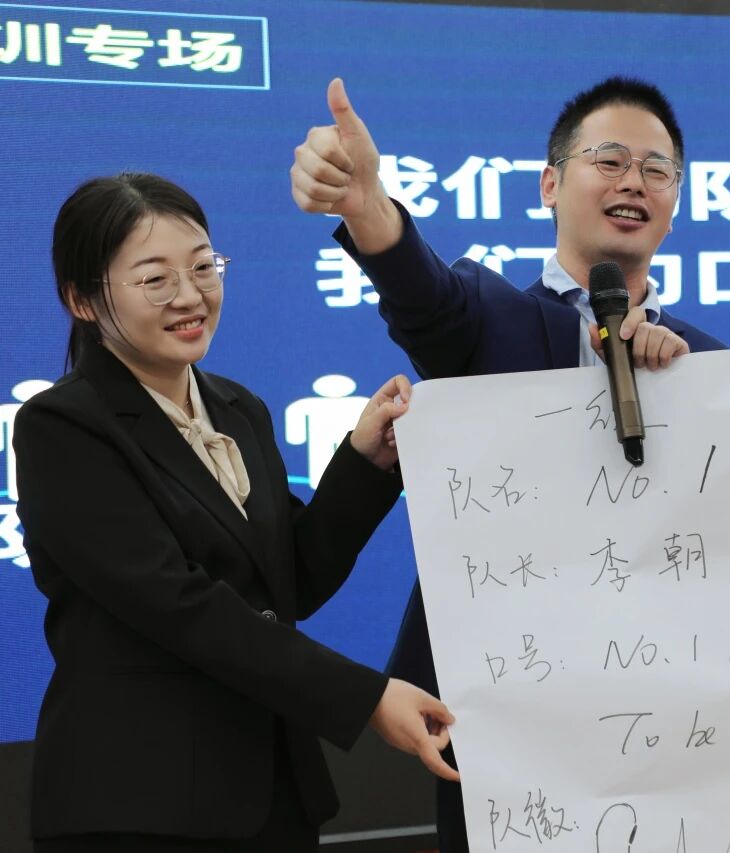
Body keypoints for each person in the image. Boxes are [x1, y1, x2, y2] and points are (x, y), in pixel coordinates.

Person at [290, 75, 730, 850]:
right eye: (610, 160)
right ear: (550, 184)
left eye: (657, 169)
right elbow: (422, 294)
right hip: (509, 719)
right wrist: (367, 207)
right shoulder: (490, 320)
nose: (634, 182)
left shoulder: (713, 364)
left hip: (674, 718)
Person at [16, 173, 457, 852]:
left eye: (203, 267)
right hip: (141, 806)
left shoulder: (237, 407)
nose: (190, 296)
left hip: (273, 797)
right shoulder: (62, 427)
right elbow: (182, 607)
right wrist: (365, 697)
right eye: (155, 279)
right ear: (81, 299)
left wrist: (365, 461)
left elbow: (290, 582)